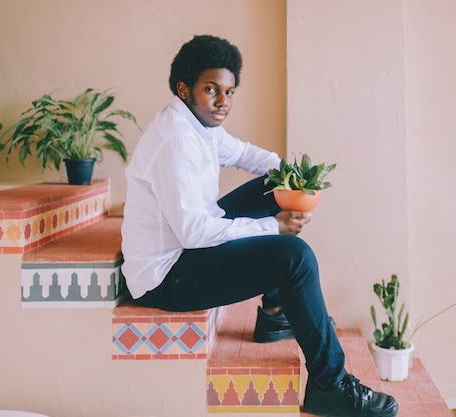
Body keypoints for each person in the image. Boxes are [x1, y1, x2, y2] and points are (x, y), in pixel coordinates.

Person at [121, 34, 399, 417]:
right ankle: (329, 385)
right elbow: (194, 233)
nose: (223, 102)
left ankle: (275, 313)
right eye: (211, 90)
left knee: (274, 183)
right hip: (168, 277)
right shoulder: (176, 141)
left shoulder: (198, 125)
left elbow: (246, 154)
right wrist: (274, 227)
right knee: (295, 257)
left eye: (229, 92)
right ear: (184, 88)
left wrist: (296, 178)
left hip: (187, 250)